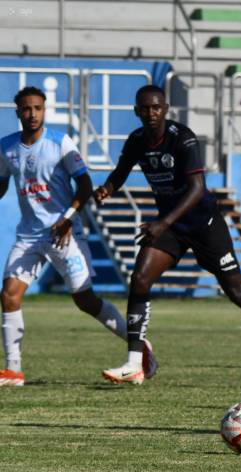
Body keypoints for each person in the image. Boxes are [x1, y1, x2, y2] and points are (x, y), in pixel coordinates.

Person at [94, 85, 241, 390]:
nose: (151, 113)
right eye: (145, 108)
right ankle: (133, 364)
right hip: (171, 229)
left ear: (166, 109)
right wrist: (107, 189)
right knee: (139, 278)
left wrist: (161, 223)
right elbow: (121, 171)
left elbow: (196, 190)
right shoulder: (137, 141)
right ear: (137, 112)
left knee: (239, 293)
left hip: (204, 224)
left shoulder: (183, 138)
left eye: (156, 108)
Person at [0, 86, 154, 386]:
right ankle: (13, 370)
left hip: (64, 233)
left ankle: (138, 345)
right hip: (29, 235)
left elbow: (84, 184)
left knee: (84, 300)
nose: (32, 114)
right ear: (17, 112)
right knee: (9, 294)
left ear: (44, 110)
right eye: (26, 109)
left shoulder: (60, 143)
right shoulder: (6, 148)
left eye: (37, 108)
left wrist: (68, 217)